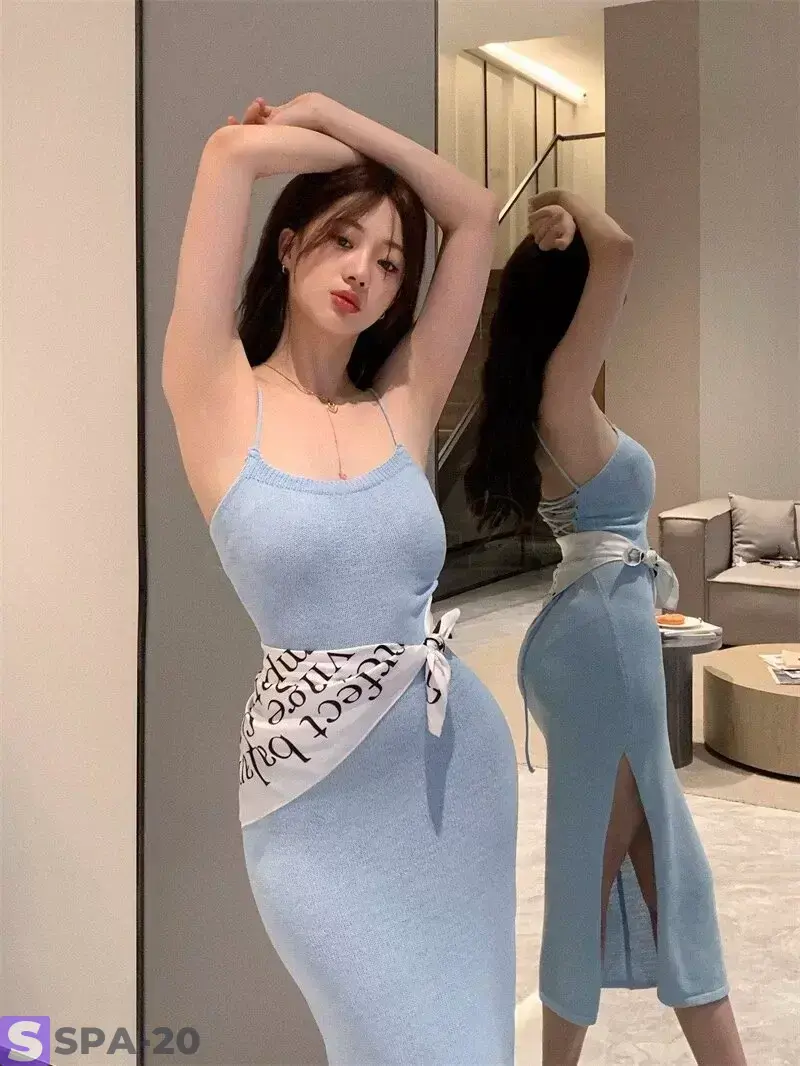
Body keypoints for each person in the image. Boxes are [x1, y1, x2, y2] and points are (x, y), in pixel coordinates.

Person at [162, 92, 518, 1065]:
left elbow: (473, 213)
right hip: (310, 799)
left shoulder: (404, 401)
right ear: (289, 246)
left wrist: (337, 115)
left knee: (471, 1045)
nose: (365, 270)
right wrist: (310, 135)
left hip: (452, 772)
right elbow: (228, 153)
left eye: (391, 261)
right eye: (342, 239)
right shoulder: (216, 393)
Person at [465, 188, 747, 1066]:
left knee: (642, 857)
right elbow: (619, 248)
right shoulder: (561, 391)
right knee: (620, 859)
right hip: (604, 644)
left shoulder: (547, 400)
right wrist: (563, 204)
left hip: (595, 632)